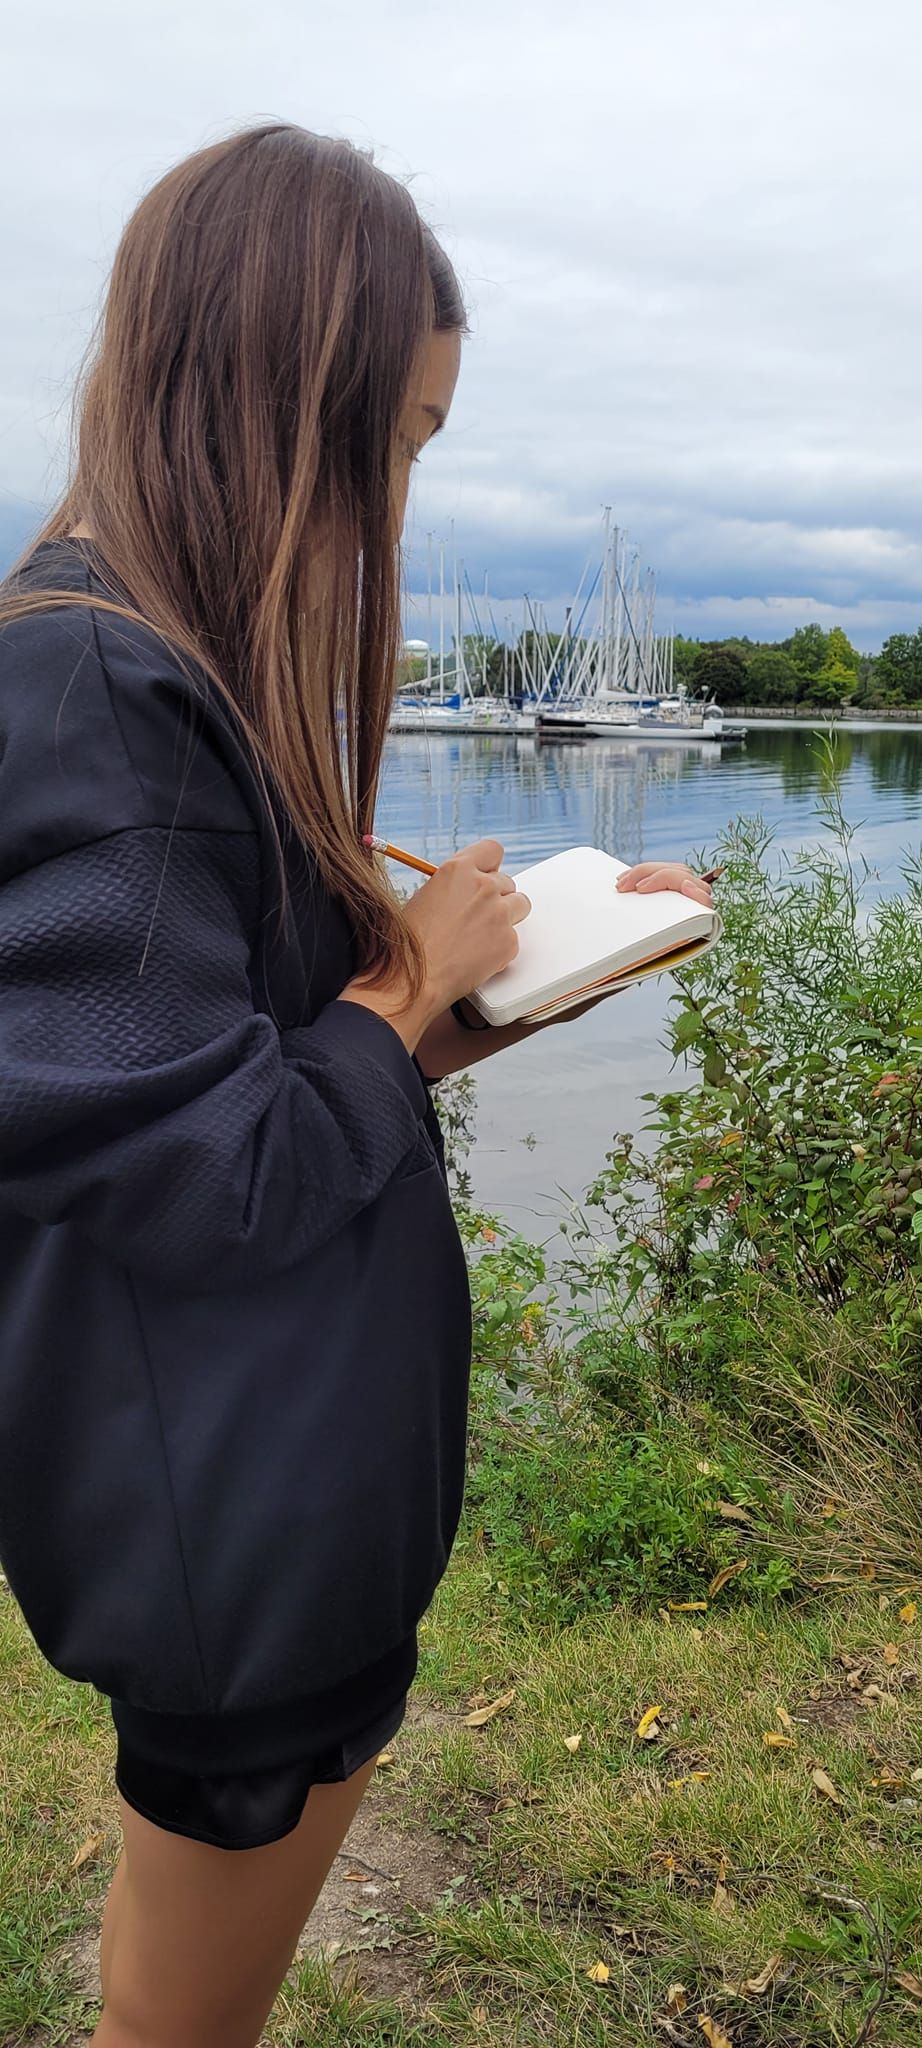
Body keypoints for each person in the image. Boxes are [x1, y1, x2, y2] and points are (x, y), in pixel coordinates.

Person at [0, 124, 713, 2048]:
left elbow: (244, 1075)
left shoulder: (172, 678)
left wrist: (512, 980)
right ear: (267, 399)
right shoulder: (93, 690)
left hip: (281, 1489)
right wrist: (412, 981)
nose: (396, 498)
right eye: (390, 440)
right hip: (230, 1520)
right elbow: (199, 1171)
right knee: (181, 2026)